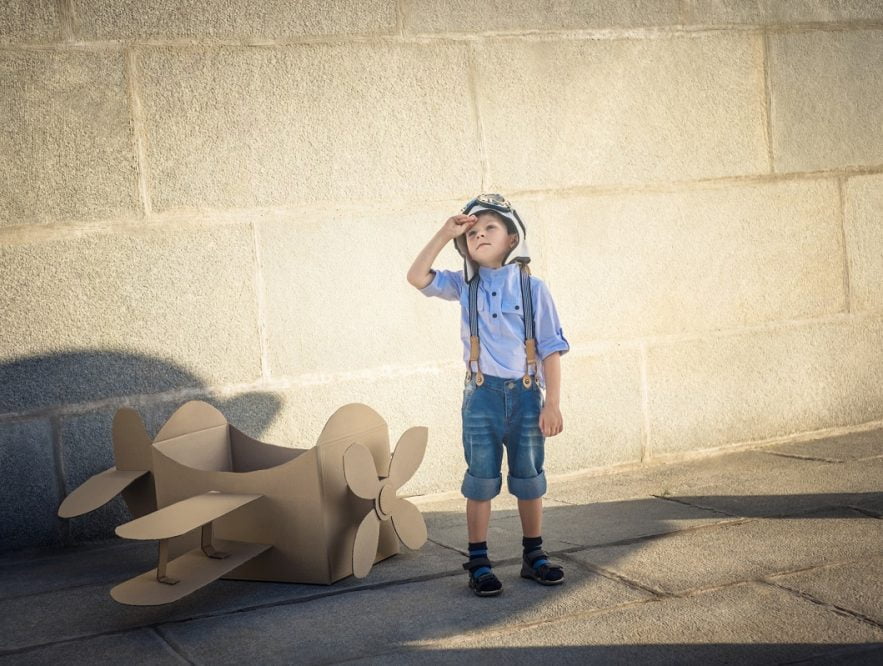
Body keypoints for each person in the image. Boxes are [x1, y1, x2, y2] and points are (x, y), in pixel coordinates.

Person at [407, 193, 570, 596]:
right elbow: (416, 276)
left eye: (489, 228)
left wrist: (553, 402)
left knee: (529, 477)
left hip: (528, 395)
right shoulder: (464, 285)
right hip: (481, 397)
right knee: (480, 479)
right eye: (472, 232)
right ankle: (478, 561)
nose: (479, 235)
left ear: (512, 239)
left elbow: (550, 347)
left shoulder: (534, 289)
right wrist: (447, 233)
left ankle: (534, 555)